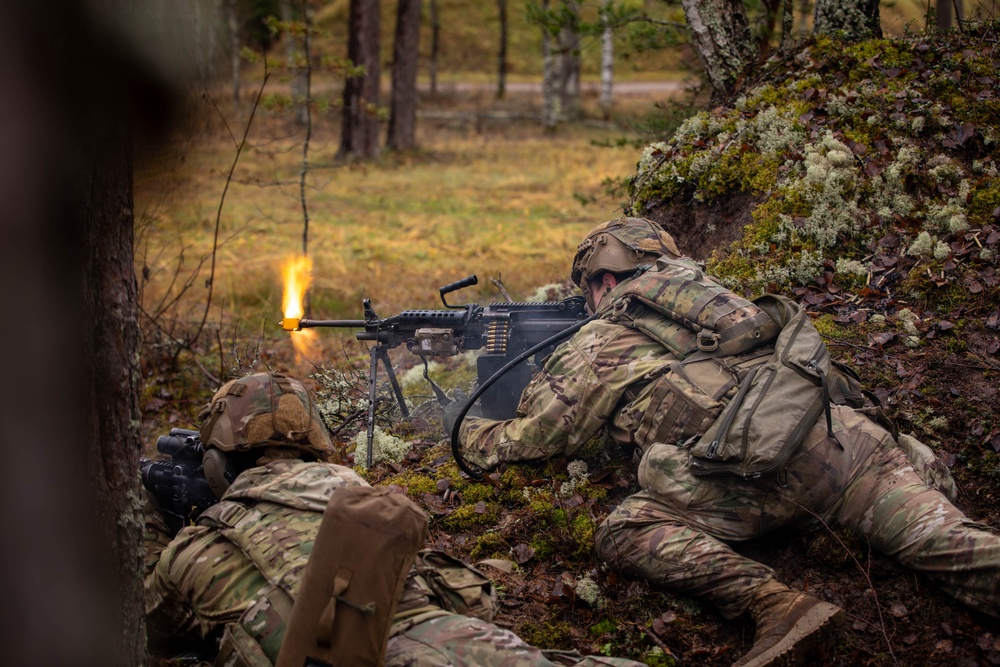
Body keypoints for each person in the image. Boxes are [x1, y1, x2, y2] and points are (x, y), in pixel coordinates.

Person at [453, 216, 1000, 667]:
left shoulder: (603, 335)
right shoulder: (726, 303)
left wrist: (468, 427)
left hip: (760, 481)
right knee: (958, 547)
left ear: (603, 281)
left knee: (626, 529)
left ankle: (776, 605)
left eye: (589, 291)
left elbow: (534, 441)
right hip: (850, 444)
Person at [144, 371, 645, 667]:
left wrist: (163, 528)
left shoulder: (192, 549)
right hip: (468, 642)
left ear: (217, 463)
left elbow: (146, 631)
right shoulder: (363, 495)